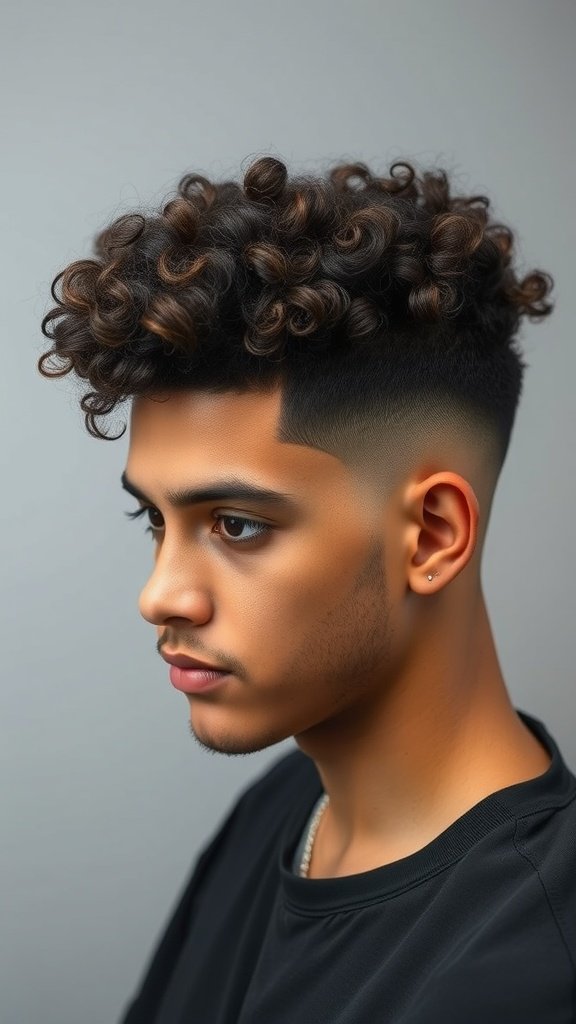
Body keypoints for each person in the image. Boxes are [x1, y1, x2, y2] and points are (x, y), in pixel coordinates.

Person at [38, 155, 575, 1023]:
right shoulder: (288, 807)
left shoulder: (529, 976)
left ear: (433, 536)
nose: (161, 596)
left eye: (237, 525)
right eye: (156, 522)